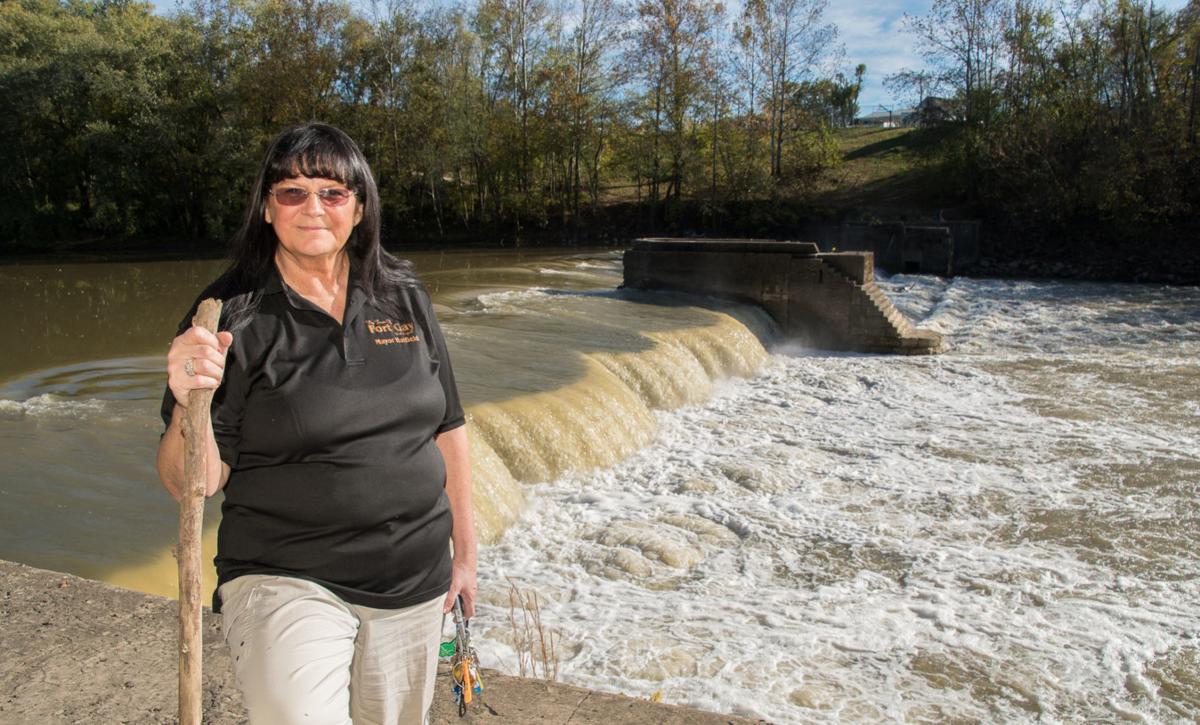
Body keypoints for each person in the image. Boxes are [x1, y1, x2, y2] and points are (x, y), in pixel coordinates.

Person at [156, 122, 477, 724]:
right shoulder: (231, 313)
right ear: (267, 208)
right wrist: (185, 400)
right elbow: (189, 483)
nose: (313, 208)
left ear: (360, 208)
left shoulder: (402, 294)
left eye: (332, 192)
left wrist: (466, 553)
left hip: (415, 578)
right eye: (292, 192)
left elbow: (449, 427)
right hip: (287, 575)